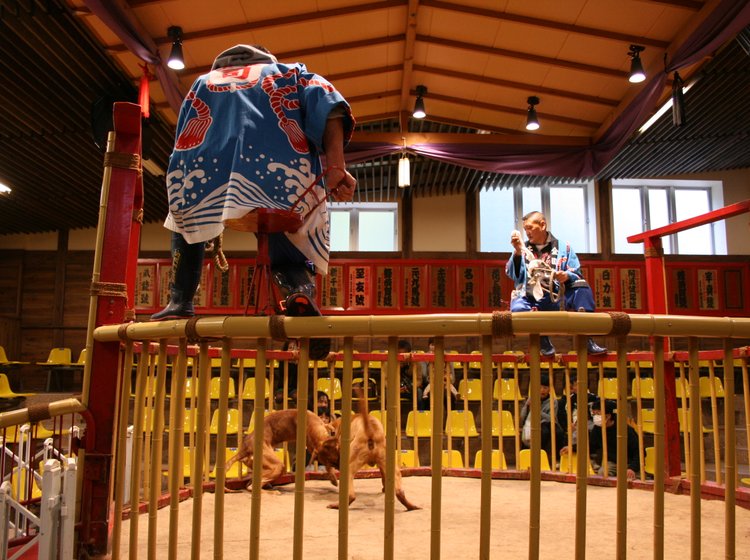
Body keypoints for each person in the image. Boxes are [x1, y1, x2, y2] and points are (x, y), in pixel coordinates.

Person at [150, 44, 356, 362]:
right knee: (290, 239)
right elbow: (329, 101)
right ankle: (299, 291)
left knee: (181, 218)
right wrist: (337, 165)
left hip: (207, 174)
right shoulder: (288, 73)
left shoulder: (203, 81)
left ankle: (180, 300)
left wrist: (185, 183)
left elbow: (183, 140)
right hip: (280, 173)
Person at [506, 211, 607, 357]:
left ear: (542, 225)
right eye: (525, 229)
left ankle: (586, 338)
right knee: (518, 308)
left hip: (558, 296)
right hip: (531, 297)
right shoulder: (522, 249)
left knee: (582, 286)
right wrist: (516, 252)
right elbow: (513, 274)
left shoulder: (563, 247)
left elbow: (576, 271)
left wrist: (566, 275)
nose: (527, 233)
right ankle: (543, 340)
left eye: (530, 228)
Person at [587, 399, 640, 479]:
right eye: (593, 414)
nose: (595, 417)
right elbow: (590, 446)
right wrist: (572, 448)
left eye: (598, 413)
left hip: (629, 463)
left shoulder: (625, 429)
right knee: (603, 473)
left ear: (608, 416)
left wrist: (632, 468)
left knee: (632, 479)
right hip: (612, 463)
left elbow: (639, 452)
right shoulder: (597, 429)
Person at [519, 373, 564, 461]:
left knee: (558, 432)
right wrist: (527, 407)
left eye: (545, 388)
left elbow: (551, 418)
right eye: (540, 387)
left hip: (547, 424)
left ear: (549, 389)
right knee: (539, 431)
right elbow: (522, 417)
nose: (542, 390)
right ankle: (528, 456)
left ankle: (557, 458)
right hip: (532, 424)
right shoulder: (531, 398)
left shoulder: (553, 401)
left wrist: (537, 411)